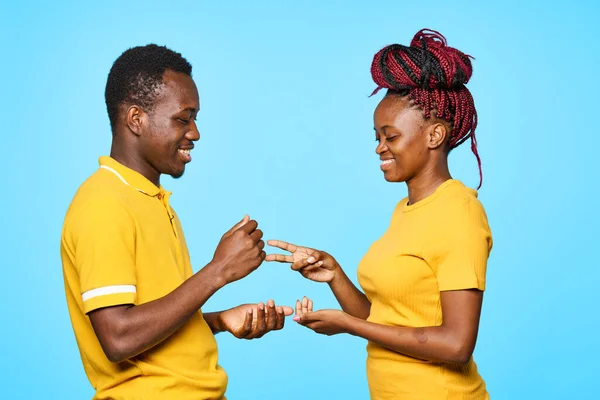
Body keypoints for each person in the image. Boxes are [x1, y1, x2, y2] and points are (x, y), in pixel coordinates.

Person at [266, 29, 492, 399]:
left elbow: (456, 345)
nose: (379, 148)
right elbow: (386, 319)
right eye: (377, 137)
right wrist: (335, 275)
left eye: (391, 136)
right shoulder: (406, 210)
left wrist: (349, 327)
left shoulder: (459, 213)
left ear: (434, 135)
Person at [60, 44, 293, 400]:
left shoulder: (150, 199)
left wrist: (217, 321)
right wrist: (218, 271)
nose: (195, 132)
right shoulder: (104, 203)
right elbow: (118, 337)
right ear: (136, 119)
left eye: (196, 118)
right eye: (183, 118)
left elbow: (152, 323)